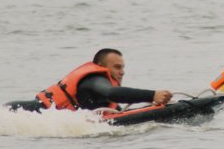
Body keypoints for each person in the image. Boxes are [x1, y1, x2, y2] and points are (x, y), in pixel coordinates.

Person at [34, 48, 172, 111]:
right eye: (117, 67)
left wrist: (152, 106)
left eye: (123, 67)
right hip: (29, 111)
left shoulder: (104, 94)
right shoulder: (95, 80)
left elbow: (119, 113)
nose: (122, 72)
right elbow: (112, 93)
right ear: (101, 66)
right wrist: (152, 95)